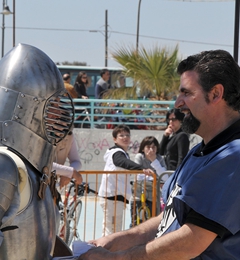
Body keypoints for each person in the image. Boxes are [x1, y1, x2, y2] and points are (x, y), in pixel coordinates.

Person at [79, 49, 240, 259]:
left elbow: (191, 241)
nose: (177, 103)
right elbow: (168, 219)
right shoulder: (197, 153)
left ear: (216, 94)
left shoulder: (232, 157)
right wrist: (115, 242)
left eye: (187, 93)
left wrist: (118, 258)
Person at [0, 43, 75, 259]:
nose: (59, 116)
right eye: (51, 107)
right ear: (22, 107)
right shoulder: (5, 165)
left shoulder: (33, 170)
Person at [98, 124, 154, 236]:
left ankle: (109, 250)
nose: (125, 137)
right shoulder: (116, 153)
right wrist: (141, 168)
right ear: (114, 139)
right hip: (111, 196)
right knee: (111, 229)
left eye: (127, 135)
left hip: (116, 196)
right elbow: (122, 162)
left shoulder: (121, 153)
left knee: (114, 228)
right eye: (121, 135)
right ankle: (106, 251)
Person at [130, 136, 167, 226]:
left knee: (154, 213)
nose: (151, 150)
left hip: (153, 189)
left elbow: (164, 176)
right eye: (148, 147)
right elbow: (137, 172)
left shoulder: (159, 158)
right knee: (135, 208)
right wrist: (153, 176)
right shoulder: (140, 157)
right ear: (143, 149)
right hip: (140, 187)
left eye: (153, 147)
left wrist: (154, 160)